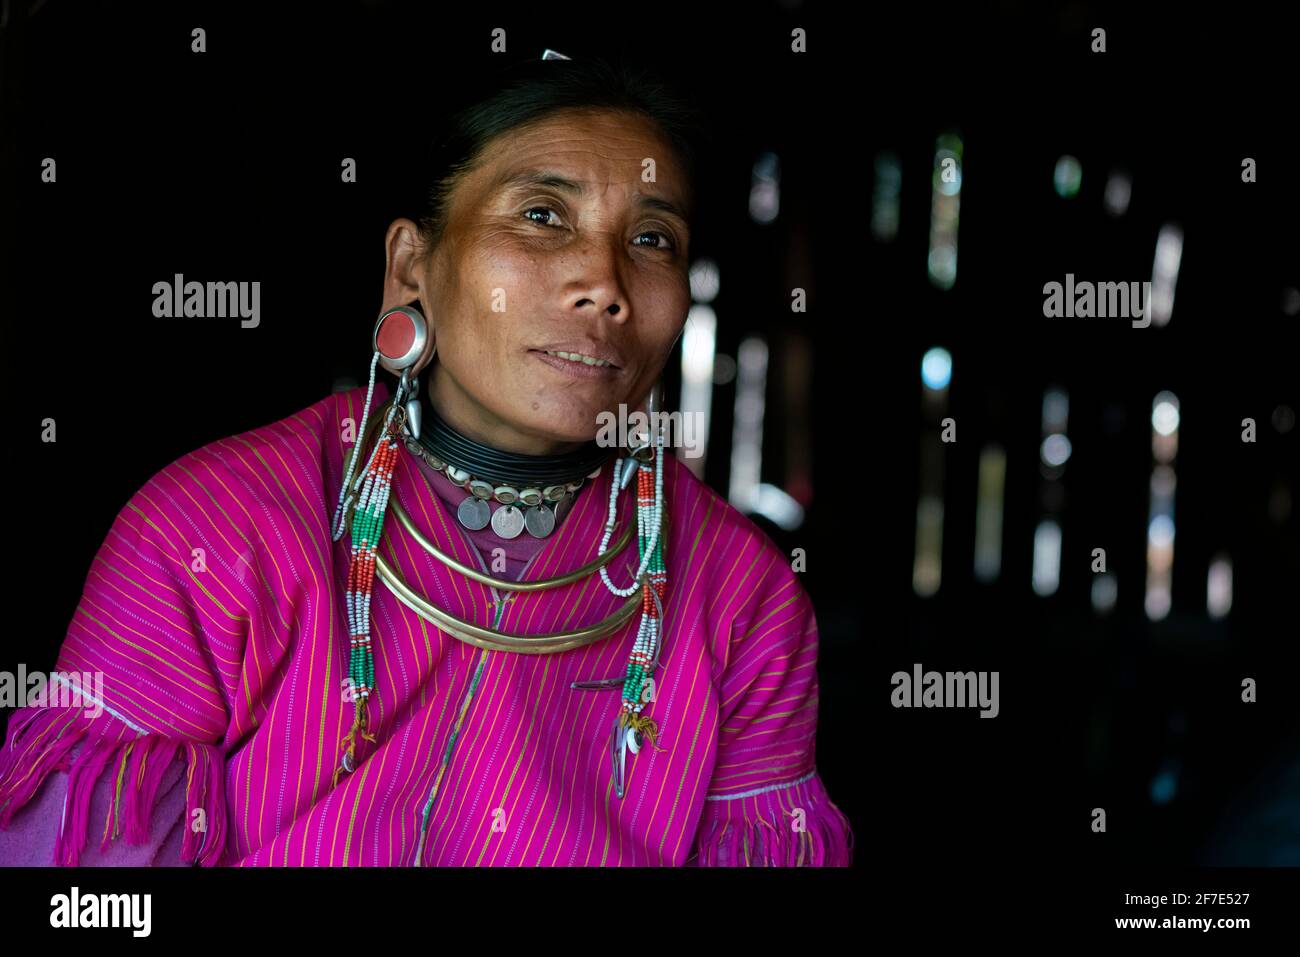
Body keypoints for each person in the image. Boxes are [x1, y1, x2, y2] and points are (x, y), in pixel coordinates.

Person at [0, 52, 853, 866]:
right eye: (543, 215)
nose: (604, 282)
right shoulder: (214, 528)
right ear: (412, 267)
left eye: (653, 238)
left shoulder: (743, 600)